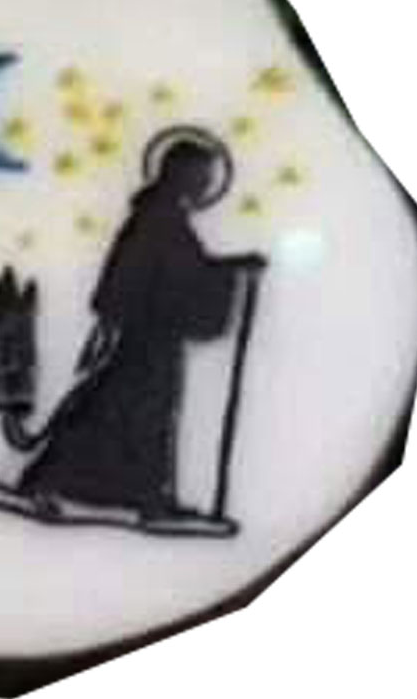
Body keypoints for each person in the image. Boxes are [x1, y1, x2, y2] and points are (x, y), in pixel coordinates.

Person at [20, 134, 265, 521]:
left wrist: (229, 267)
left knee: (146, 413)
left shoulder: (166, 217)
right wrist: (228, 273)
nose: (205, 184)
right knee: (122, 410)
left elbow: (186, 270)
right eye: (201, 175)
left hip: (156, 332)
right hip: (146, 333)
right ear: (180, 173)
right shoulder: (158, 217)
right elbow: (140, 270)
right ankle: (54, 480)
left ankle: (146, 492)